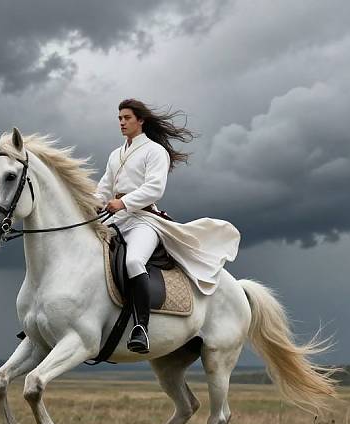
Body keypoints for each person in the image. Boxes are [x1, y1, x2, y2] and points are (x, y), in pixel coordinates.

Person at [95, 99, 241, 355]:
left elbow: (154, 188)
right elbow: (104, 187)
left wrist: (124, 202)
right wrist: (93, 205)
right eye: (119, 118)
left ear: (140, 121)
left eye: (127, 118)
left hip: (143, 220)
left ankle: (141, 327)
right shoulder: (115, 155)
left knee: (133, 262)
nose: (121, 122)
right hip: (115, 220)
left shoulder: (155, 151)